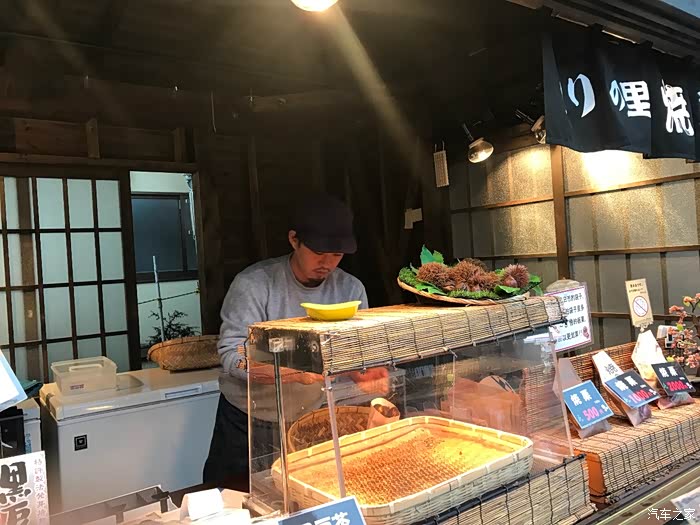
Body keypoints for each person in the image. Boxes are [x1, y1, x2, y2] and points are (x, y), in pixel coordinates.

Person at [203, 193, 387, 486]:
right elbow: (233, 357)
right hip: (247, 421)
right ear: (294, 240)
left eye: (337, 255)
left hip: (311, 418)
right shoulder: (254, 285)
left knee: (304, 496)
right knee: (234, 498)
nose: (327, 263)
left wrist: (362, 372)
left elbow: (354, 352)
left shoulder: (350, 290)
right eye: (319, 252)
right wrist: (298, 371)